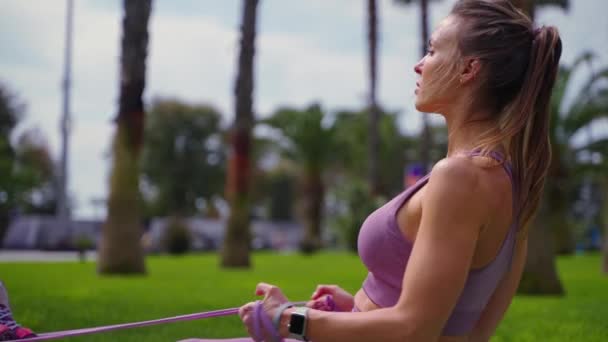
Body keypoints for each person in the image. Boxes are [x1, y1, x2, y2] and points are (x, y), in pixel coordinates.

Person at [183, 0, 562, 340]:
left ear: (468, 69)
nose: (419, 64)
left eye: (431, 51)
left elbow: (415, 329)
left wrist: (289, 320)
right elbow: (464, 328)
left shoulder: (459, 177)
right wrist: (355, 309)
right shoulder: (513, 182)